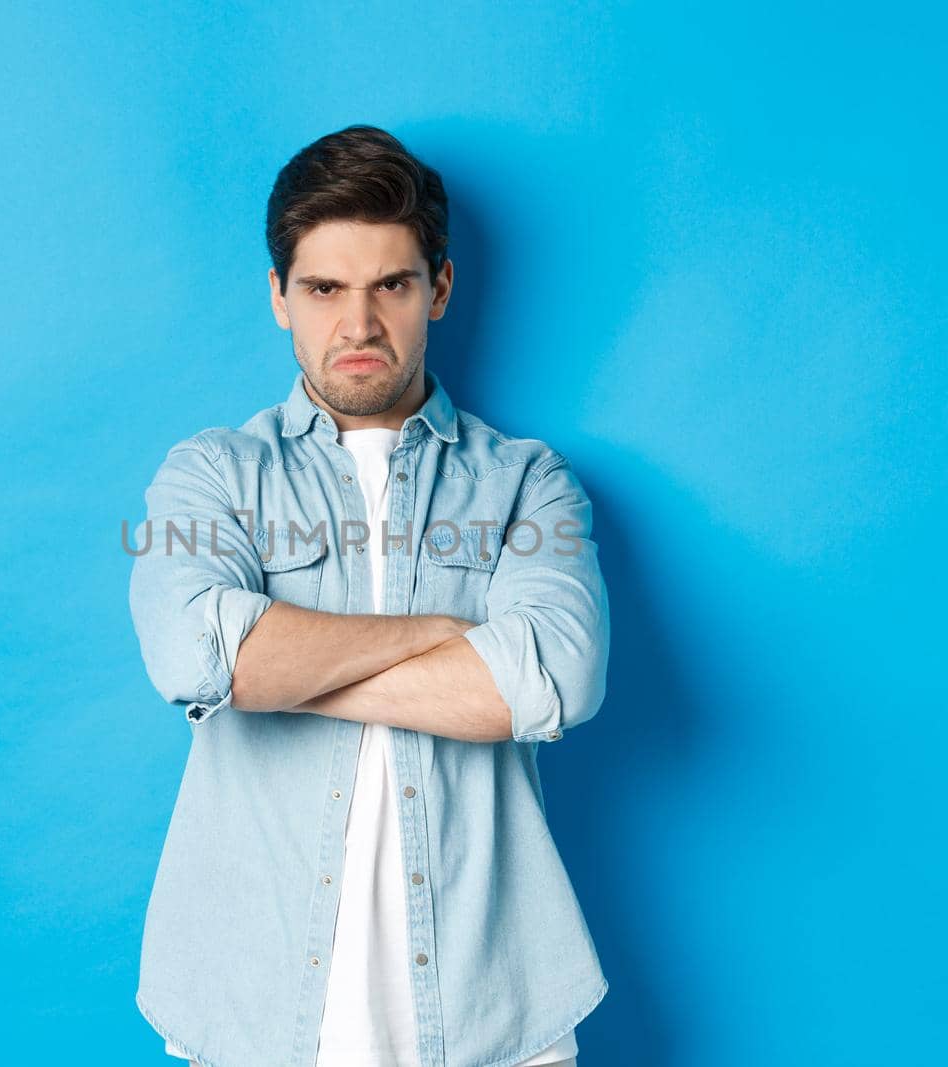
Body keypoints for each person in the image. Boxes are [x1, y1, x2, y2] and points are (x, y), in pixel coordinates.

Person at [127, 125, 609, 1067]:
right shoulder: (213, 475)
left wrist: (275, 668)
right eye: (323, 289)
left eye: (389, 284)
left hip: (495, 1016)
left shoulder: (526, 483)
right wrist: (443, 632)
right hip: (255, 1012)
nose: (358, 324)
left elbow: (552, 679)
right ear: (279, 298)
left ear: (439, 287)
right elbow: (194, 655)